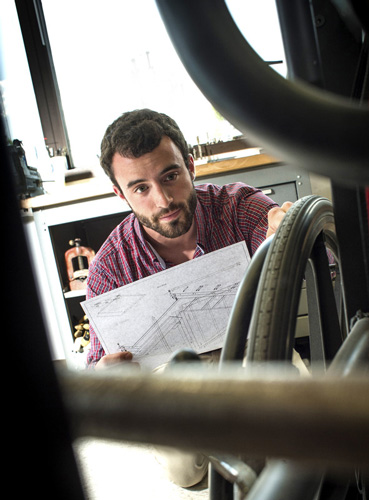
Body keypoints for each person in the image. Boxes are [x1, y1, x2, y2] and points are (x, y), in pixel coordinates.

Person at [86, 108, 292, 487]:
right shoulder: (108, 266)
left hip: (252, 348)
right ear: (120, 194)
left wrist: (286, 231)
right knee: (186, 474)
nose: (163, 200)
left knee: (302, 444)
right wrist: (106, 375)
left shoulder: (238, 207)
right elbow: (97, 369)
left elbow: (320, 256)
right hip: (170, 380)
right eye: (140, 188)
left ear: (190, 167)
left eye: (170, 175)